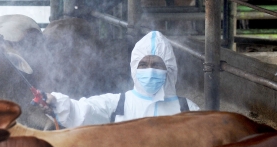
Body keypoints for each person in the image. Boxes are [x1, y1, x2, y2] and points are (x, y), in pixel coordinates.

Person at [46, 31, 200, 128]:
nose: (150, 70)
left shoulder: (187, 109)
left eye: (157, 64)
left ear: (169, 69)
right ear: (134, 69)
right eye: (144, 64)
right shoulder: (118, 104)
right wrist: (56, 102)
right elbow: (82, 111)